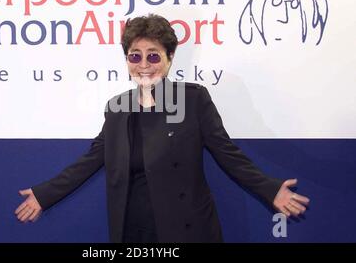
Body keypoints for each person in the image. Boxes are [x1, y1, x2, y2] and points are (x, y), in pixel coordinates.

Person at [15, 14, 310, 242]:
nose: (144, 64)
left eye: (153, 55)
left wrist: (270, 189)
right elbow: (91, 160)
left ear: (169, 59)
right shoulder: (117, 107)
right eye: (135, 55)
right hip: (132, 230)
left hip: (185, 229)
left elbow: (227, 153)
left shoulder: (192, 99)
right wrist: (45, 194)